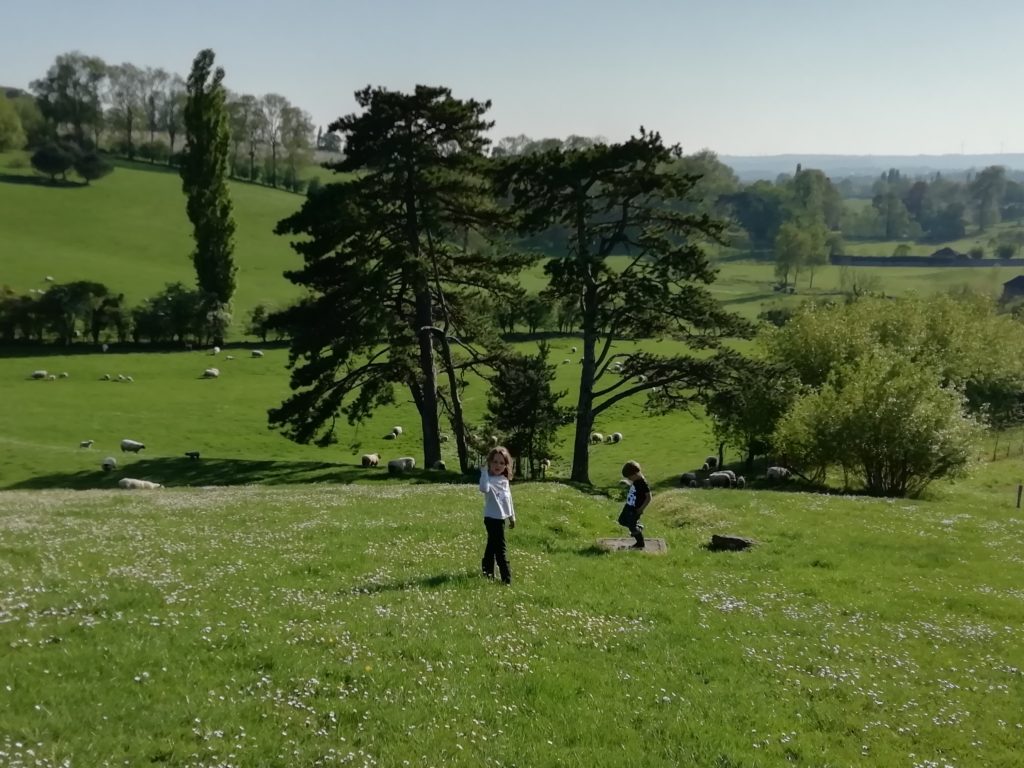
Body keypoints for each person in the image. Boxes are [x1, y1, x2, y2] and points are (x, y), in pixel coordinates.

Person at [480, 446, 516, 584]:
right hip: (491, 518)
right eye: (495, 462)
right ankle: (507, 579)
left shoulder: (504, 480)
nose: (498, 465)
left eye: (502, 463)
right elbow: (484, 489)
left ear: (506, 465)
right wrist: (483, 472)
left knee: (491, 546)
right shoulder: (487, 479)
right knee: (500, 549)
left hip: (501, 519)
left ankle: (487, 572)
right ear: (490, 462)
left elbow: (508, 500)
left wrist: (512, 517)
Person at [618, 460, 651, 550]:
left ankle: (640, 543)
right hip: (629, 505)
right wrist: (627, 483)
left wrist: (641, 509)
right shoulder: (636, 480)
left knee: (632, 527)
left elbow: (649, 497)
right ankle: (638, 527)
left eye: (630, 477)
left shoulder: (643, 483)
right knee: (621, 520)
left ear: (636, 473)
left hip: (635, 509)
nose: (629, 479)